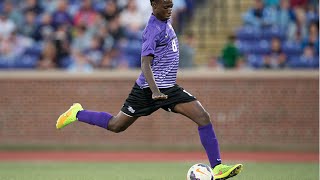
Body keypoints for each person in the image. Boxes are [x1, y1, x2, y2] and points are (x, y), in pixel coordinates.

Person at [56, 0, 243, 179]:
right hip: (147, 89)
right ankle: (77, 113)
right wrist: (154, 91)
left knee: (202, 117)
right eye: (165, 5)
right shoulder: (152, 30)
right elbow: (145, 63)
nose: (169, 8)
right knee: (116, 125)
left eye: (171, 4)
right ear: (154, 5)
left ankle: (217, 168)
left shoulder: (165, 20)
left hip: (168, 88)